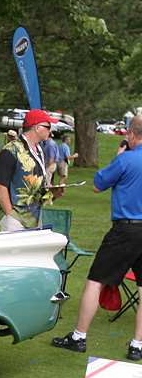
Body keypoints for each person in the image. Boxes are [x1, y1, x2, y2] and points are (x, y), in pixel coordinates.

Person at [51, 115, 142, 361]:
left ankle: (79, 337)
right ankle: (137, 344)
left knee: (94, 281)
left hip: (126, 228)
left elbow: (97, 184)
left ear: (132, 135)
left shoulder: (126, 159)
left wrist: (119, 156)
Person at [0, 109, 60, 231]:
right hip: (15, 217)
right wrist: (10, 214)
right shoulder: (10, 151)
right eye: (48, 127)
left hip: (35, 217)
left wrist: (53, 191)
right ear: (37, 128)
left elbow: (39, 179)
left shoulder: (40, 150)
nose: (50, 130)